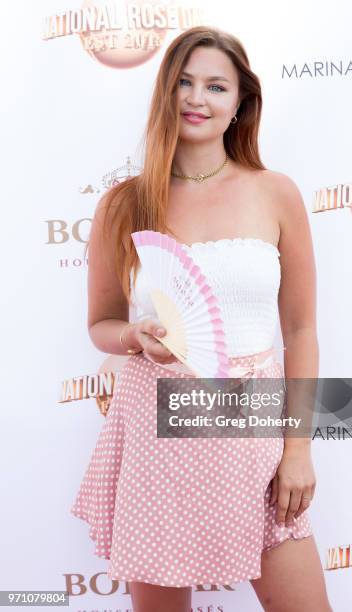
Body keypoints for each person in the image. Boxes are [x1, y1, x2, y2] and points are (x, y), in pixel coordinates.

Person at [71, 26, 332, 612]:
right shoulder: (124, 202)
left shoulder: (275, 192)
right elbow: (102, 323)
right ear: (166, 93)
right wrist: (134, 336)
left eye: (216, 86)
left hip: (254, 429)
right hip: (158, 432)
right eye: (184, 82)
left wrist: (297, 449)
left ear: (240, 103)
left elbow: (301, 331)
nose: (197, 98)